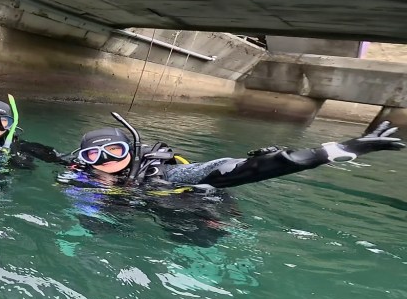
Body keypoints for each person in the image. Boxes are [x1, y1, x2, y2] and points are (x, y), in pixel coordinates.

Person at [62, 114, 405, 189]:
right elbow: (45, 155)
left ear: (132, 150)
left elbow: (230, 167)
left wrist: (342, 149)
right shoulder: (79, 173)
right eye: (94, 156)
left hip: (189, 209)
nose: (106, 161)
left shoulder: (164, 174)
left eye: (115, 150)